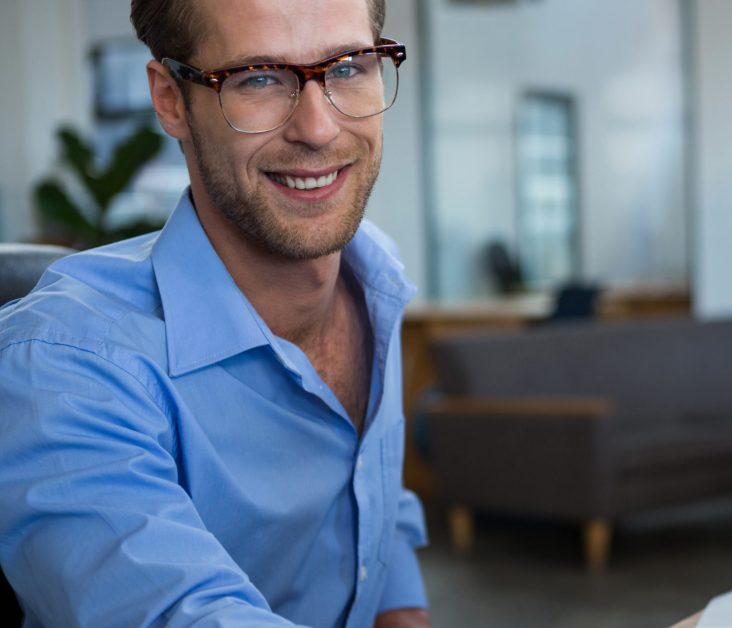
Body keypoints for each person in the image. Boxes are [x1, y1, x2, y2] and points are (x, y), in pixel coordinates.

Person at [0, 0, 431, 625]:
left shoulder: (377, 273)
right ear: (171, 99)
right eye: (258, 77)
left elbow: (375, 502)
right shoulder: (61, 368)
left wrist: (401, 608)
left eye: (347, 68)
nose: (318, 128)